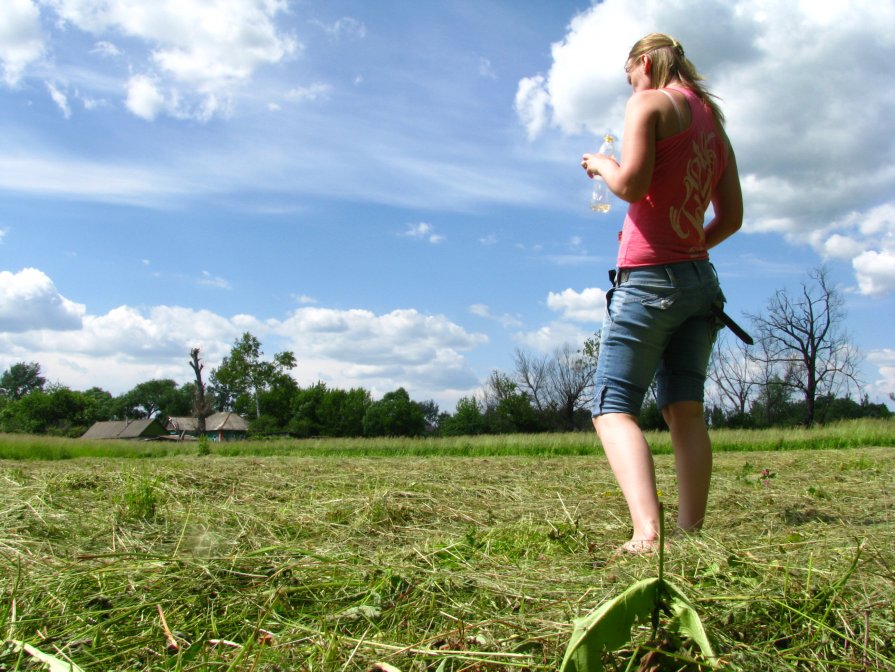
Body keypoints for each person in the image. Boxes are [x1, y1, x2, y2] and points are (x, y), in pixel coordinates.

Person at [580, 33, 743, 553]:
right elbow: (732, 218)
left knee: (611, 405)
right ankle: (691, 532)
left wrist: (600, 166)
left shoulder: (648, 102)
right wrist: (688, 242)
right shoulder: (714, 125)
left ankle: (648, 534)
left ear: (645, 64)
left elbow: (630, 184)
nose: (633, 84)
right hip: (700, 282)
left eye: (631, 75)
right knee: (683, 408)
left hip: (650, 281)